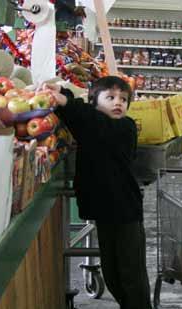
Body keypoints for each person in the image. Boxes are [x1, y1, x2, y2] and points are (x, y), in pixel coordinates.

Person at [43, 76, 152, 309]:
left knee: (132, 276)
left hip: (126, 214)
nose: (118, 103)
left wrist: (66, 101)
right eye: (110, 97)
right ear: (94, 102)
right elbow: (83, 120)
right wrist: (63, 94)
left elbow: (93, 122)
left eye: (123, 99)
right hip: (105, 213)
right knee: (112, 274)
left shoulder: (125, 127)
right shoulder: (91, 125)